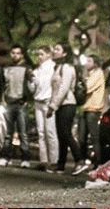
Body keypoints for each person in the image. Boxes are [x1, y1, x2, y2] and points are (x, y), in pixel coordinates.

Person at [45, 42, 88, 175]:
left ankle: (80, 161)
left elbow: (64, 88)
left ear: (64, 53)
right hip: (61, 105)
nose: (54, 51)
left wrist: (53, 106)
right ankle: (60, 164)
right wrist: (53, 105)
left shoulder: (68, 68)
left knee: (66, 133)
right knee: (61, 135)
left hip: (68, 104)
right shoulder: (58, 68)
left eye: (58, 49)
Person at [0, 44, 33, 168]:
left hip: (21, 104)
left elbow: (33, 85)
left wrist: (28, 98)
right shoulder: (5, 68)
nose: (15, 55)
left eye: (17, 53)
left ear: (21, 55)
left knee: (23, 133)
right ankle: (5, 157)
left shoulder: (27, 68)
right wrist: (2, 101)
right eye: (13, 53)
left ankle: (25, 159)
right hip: (8, 103)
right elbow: (1, 86)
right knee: (7, 134)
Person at [28, 45, 58, 170]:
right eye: (38, 54)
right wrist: (30, 80)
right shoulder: (36, 71)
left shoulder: (53, 67)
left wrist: (53, 102)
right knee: (40, 132)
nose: (39, 57)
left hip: (48, 101)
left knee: (50, 132)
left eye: (42, 54)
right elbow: (32, 89)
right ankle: (43, 160)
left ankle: (54, 161)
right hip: (38, 102)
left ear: (48, 55)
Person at [78, 55, 105, 168]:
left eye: (90, 61)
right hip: (86, 108)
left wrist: (80, 83)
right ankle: (84, 160)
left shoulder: (98, 73)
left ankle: (98, 163)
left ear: (96, 63)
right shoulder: (89, 75)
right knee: (82, 138)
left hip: (94, 109)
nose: (87, 63)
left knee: (94, 137)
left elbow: (87, 88)